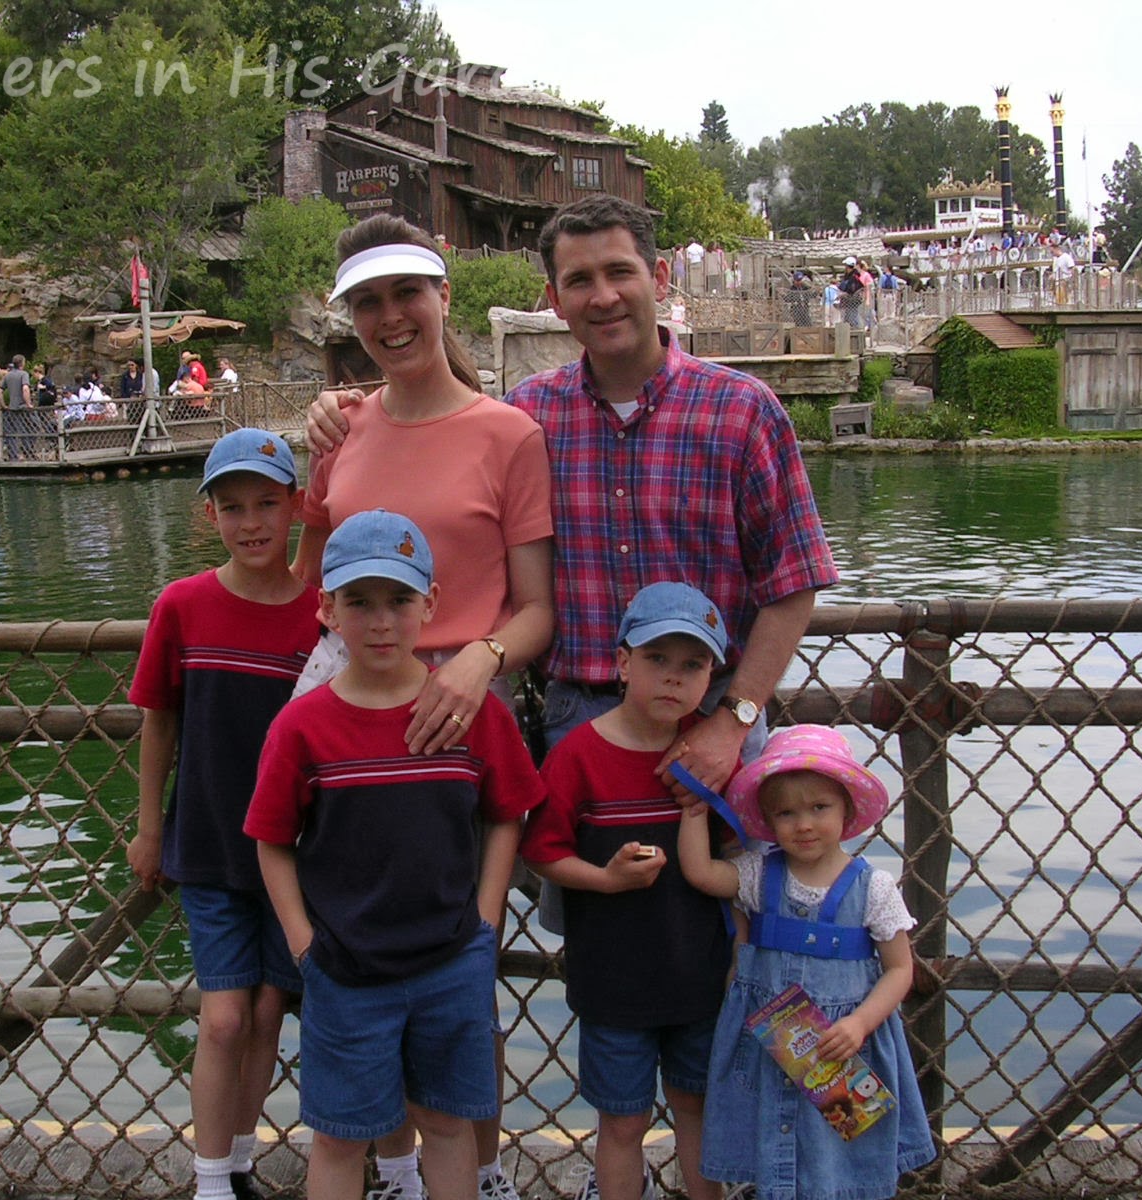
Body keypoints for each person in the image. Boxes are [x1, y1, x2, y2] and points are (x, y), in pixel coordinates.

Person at [309, 193, 836, 800]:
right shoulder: (529, 414)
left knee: (729, 864)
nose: (603, 296)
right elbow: (434, 443)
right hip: (576, 721)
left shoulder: (741, 410)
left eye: (619, 272)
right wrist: (340, 409)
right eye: (580, 280)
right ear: (555, 299)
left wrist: (734, 720)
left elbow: (793, 581)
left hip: (710, 717)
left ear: (659, 277)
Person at [295, 212, 554, 1200]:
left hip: (457, 717)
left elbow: (537, 609)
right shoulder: (345, 428)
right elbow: (311, 582)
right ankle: (397, 1169)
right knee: (361, 949)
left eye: (407, 293)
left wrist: (479, 660)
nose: (390, 317)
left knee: (456, 967)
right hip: (350, 716)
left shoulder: (507, 434)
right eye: (367, 302)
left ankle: (478, 1172)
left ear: (444, 296)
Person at [245, 510, 546, 1200]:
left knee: (447, 1124)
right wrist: (301, 941)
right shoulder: (301, 726)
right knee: (339, 1136)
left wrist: (486, 917)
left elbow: (508, 812)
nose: (381, 622)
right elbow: (271, 839)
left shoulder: (472, 712)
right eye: (359, 602)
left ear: (430, 603)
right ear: (328, 609)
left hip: (451, 959)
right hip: (344, 968)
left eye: (399, 600)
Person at [127, 428, 321, 1200]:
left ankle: (239, 1162)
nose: (251, 522)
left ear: (295, 507)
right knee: (224, 1019)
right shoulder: (182, 604)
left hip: (293, 853)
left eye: (266, 504)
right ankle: (210, 1180)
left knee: (270, 1010)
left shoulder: (321, 615)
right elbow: (159, 721)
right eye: (232, 507)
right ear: (209, 514)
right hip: (208, 841)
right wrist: (149, 827)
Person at [521, 582, 735, 1200]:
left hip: (700, 976)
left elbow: (741, 859)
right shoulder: (578, 755)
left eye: (692, 664)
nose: (673, 677)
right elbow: (542, 851)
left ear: (711, 675)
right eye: (656, 658)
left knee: (697, 1110)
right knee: (621, 1123)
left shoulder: (711, 756)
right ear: (622, 662)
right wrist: (606, 879)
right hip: (612, 981)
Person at [674, 725, 935, 1200]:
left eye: (819, 808)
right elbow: (701, 873)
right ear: (768, 820)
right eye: (786, 813)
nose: (804, 825)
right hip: (768, 1048)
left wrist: (860, 1023)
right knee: (773, 1154)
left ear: (846, 810)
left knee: (838, 1162)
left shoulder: (873, 887)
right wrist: (694, 807)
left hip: (842, 1047)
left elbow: (901, 969)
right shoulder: (759, 875)